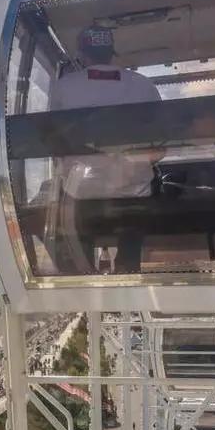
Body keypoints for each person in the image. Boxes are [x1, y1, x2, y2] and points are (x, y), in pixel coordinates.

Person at [48, 25, 162, 273]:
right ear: (112, 53)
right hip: (134, 194)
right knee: (144, 192)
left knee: (73, 205)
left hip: (82, 194)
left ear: (82, 55)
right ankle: (128, 265)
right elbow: (160, 144)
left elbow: (55, 142)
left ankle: (86, 270)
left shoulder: (64, 88)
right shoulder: (143, 85)